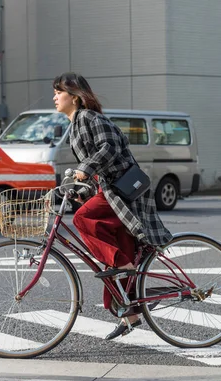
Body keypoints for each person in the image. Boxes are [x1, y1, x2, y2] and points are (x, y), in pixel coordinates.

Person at [52, 72, 173, 339]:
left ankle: (126, 269)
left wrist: (85, 169)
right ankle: (130, 313)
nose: (55, 97)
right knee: (116, 254)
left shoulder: (88, 117)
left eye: (58, 92)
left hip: (122, 191)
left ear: (74, 95)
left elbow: (110, 147)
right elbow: (99, 160)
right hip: (111, 190)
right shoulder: (76, 123)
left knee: (83, 220)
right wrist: (84, 187)